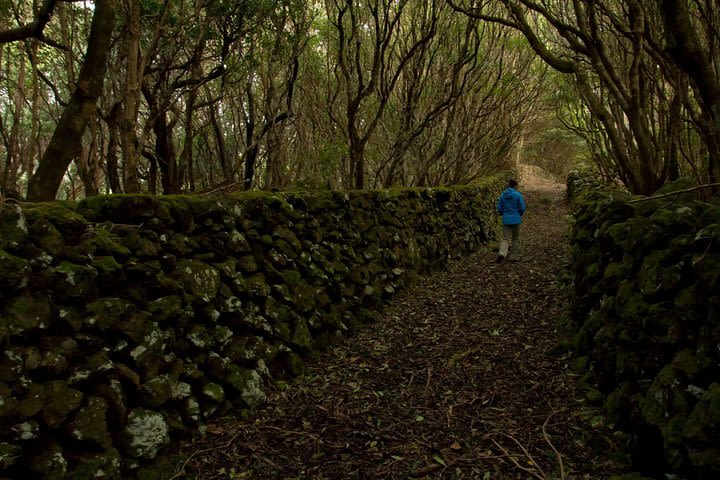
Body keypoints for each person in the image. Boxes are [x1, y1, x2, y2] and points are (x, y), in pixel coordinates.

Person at [495, 178, 526, 263]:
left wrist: (503, 214)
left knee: (505, 238)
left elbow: (499, 208)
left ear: (508, 185)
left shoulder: (502, 195)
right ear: (515, 185)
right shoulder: (518, 195)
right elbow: (522, 208)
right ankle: (513, 256)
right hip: (516, 219)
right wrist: (519, 214)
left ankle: (502, 254)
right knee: (515, 238)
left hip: (506, 219)